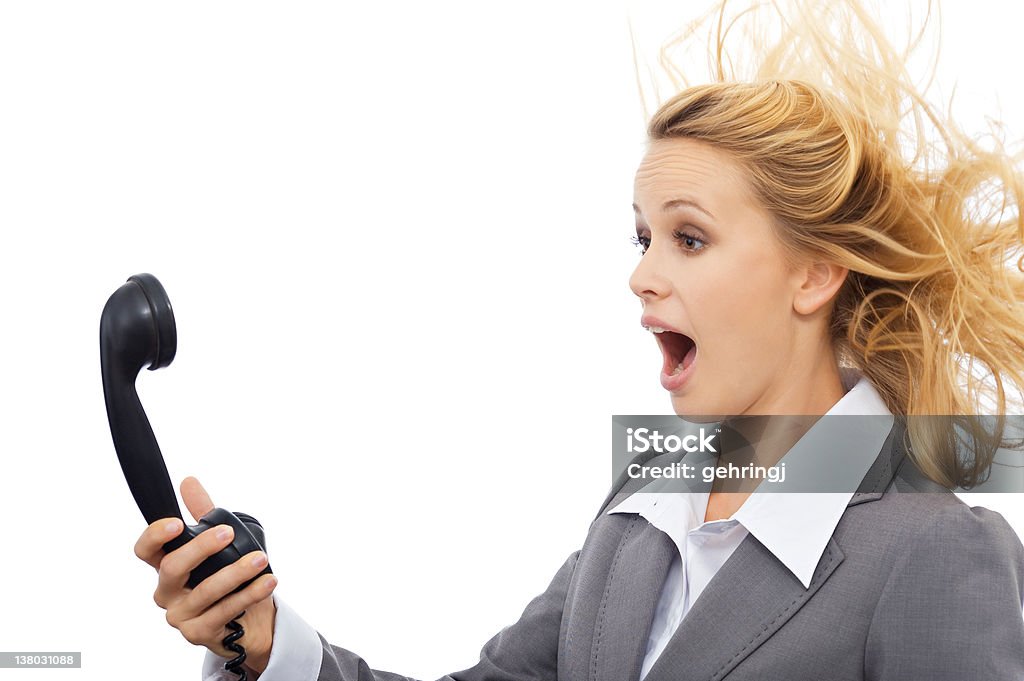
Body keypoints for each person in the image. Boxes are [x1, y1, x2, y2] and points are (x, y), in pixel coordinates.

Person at [133, 0, 1024, 678]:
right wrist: (259, 633)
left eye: (689, 236)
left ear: (814, 273)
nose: (642, 274)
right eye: (642, 237)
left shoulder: (938, 549)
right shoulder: (645, 507)